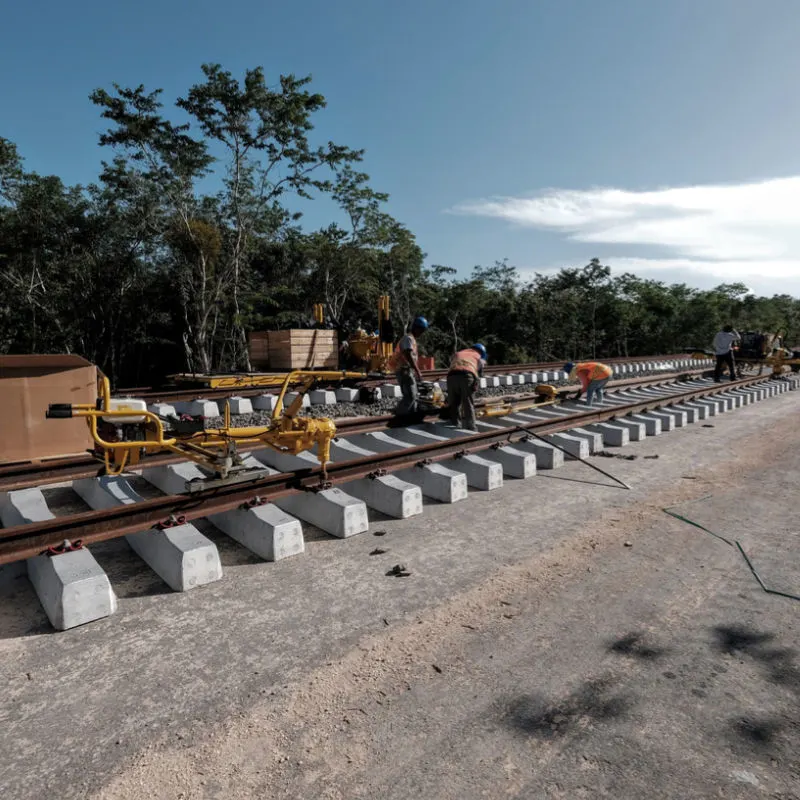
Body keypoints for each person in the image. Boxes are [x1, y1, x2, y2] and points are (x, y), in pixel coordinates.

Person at [389, 316, 429, 415]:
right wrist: (417, 370)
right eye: (421, 330)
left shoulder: (412, 339)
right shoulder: (408, 338)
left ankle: (411, 417)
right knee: (410, 396)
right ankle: (398, 417)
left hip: (406, 370)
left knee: (413, 396)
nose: (422, 333)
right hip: (404, 370)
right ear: (416, 328)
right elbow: (408, 355)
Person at [447, 343, 487, 431]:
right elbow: (479, 373)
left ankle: (455, 423)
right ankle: (471, 427)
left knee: (454, 403)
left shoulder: (459, 353)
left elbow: (451, 361)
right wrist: (476, 383)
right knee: (468, 402)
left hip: (451, 377)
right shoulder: (478, 356)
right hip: (467, 376)